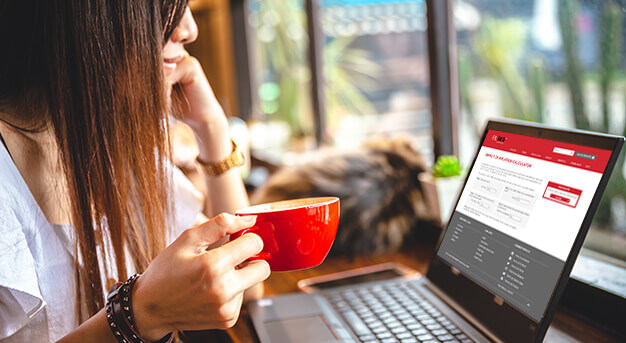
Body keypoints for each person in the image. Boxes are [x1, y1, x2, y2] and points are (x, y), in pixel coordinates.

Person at [0, 1, 270, 342]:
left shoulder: (116, 145)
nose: (189, 29)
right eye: (167, 9)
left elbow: (248, 286)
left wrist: (212, 130)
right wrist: (141, 314)